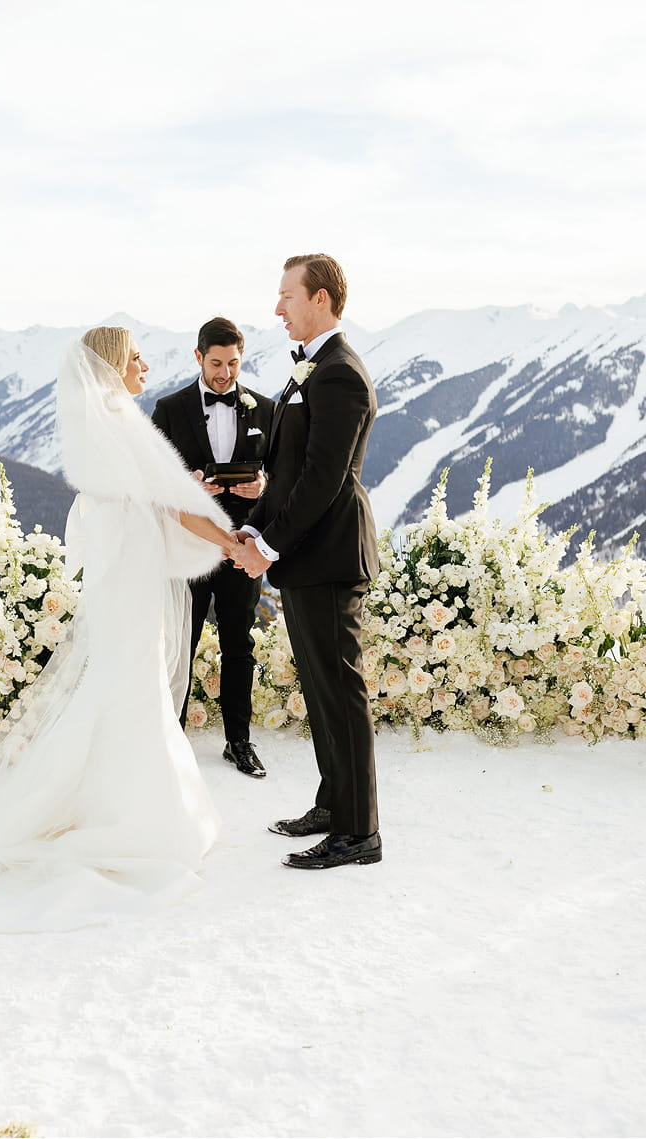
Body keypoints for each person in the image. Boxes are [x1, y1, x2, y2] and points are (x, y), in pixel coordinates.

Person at [0, 327, 238, 932]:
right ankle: (134, 820)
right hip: (133, 582)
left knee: (122, 688)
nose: (145, 363)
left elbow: (143, 498)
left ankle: (102, 801)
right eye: (134, 356)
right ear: (113, 367)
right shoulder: (122, 423)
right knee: (133, 691)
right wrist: (232, 543)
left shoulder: (99, 426)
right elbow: (172, 506)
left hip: (122, 580)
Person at [234, 255, 382, 871]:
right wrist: (252, 527)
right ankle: (332, 802)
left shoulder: (340, 375)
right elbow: (287, 474)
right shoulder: (310, 373)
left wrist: (267, 548)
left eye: (286, 296)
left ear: (319, 299)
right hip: (305, 557)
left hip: (326, 555)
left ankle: (360, 832)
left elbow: (324, 481)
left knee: (340, 690)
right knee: (320, 689)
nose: (277, 309)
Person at [152, 317, 274, 778]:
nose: (226, 373)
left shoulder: (264, 407)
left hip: (244, 544)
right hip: (189, 546)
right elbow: (154, 477)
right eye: (217, 363)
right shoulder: (169, 408)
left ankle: (238, 742)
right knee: (180, 640)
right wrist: (184, 485)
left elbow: (282, 475)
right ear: (199, 357)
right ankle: (173, 738)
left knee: (238, 641)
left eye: (234, 364)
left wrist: (261, 486)